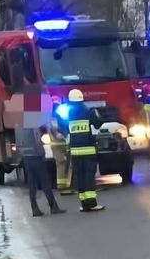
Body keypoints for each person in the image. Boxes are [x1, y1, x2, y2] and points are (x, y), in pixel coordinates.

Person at [16, 88, 64, 217]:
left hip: (26, 156)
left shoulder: (19, 120)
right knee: (45, 181)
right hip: (36, 154)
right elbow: (38, 137)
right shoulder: (34, 120)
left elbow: (18, 139)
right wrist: (41, 150)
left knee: (32, 183)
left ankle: (34, 208)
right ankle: (53, 206)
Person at [58, 88, 106, 212]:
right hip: (88, 150)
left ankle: (84, 204)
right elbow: (98, 124)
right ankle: (92, 203)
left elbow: (63, 128)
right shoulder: (88, 111)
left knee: (80, 177)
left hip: (75, 151)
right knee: (89, 176)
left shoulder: (68, 114)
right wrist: (97, 115)